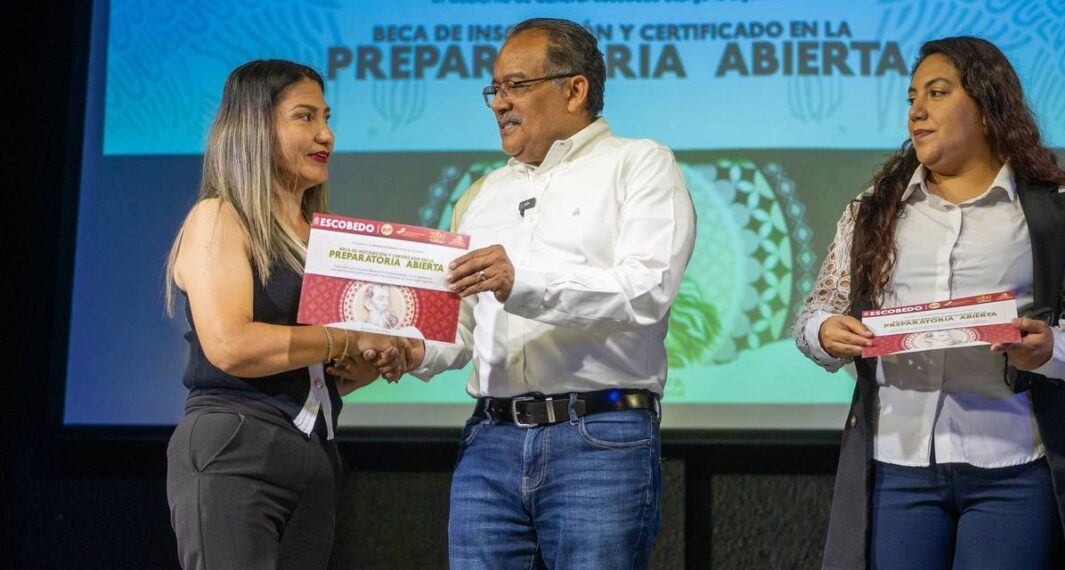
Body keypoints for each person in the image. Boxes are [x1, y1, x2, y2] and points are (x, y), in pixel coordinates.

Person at [794, 37, 1065, 569]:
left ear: (988, 107)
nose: (916, 111)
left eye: (937, 93)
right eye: (910, 98)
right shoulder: (873, 211)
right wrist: (826, 333)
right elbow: (814, 315)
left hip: (1013, 467)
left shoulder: (1055, 211)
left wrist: (1053, 348)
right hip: (896, 469)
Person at [400, 18, 696, 569]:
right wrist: (411, 349)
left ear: (574, 88)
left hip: (599, 439)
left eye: (515, 86)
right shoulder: (482, 194)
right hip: (489, 443)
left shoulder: (640, 163)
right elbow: (462, 329)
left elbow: (646, 289)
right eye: (494, 89)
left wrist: (524, 284)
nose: (498, 103)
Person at [164, 59, 408, 570]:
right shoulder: (219, 216)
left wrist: (376, 355)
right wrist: (343, 337)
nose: (326, 135)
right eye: (304, 117)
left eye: (326, 117)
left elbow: (316, 372)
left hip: (315, 452)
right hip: (237, 444)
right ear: (254, 127)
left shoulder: (319, 236)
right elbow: (231, 345)